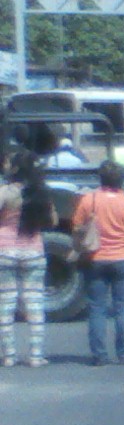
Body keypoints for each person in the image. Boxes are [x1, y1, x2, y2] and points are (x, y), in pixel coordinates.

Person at [73, 161, 124, 366]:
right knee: (122, 308)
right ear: (121, 180)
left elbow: (77, 228)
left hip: (96, 259)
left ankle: (99, 355)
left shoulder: (89, 200)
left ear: (101, 178)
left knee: (97, 308)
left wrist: (78, 249)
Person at [0, 149, 56, 367]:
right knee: (34, 305)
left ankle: (9, 355)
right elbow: (51, 221)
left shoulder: (5, 192)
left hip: (4, 251)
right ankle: (35, 355)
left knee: (5, 305)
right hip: (33, 250)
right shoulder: (42, 194)